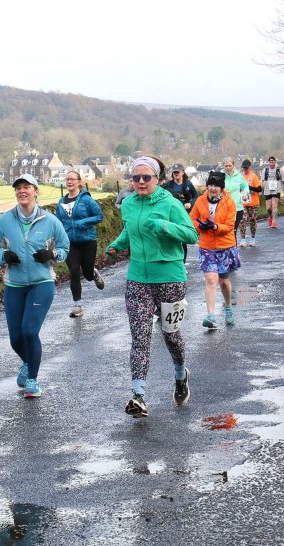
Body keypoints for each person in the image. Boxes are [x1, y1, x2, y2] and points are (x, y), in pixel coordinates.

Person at [107, 156, 198, 417]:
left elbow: (192, 235)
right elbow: (129, 231)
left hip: (170, 277)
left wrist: (163, 226)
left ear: (158, 179)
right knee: (140, 336)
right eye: (136, 177)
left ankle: (180, 374)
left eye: (146, 177)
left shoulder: (170, 203)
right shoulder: (128, 204)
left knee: (171, 334)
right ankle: (138, 395)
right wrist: (117, 245)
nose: (141, 182)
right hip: (138, 279)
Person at [0, 173, 70, 397]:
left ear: (36, 191)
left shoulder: (50, 221)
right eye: (18, 188)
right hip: (14, 284)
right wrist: (4, 256)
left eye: (27, 187)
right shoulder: (4, 220)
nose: (22, 191)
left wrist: (52, 255)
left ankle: (32, 380)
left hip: (41, 283)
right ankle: (28, 362)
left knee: (29, 331)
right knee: (15, 338)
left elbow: (64, 247)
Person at [189, 171, 239, 327]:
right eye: (210, 184)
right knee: (211, 279)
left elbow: (230, 226)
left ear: (221, 187)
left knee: (224, 281)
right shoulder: (200, 201)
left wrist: (216, 226)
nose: (213, 188)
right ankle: (210, 316)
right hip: (207, 246)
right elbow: (192, 219)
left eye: (216, 185)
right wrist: (200, 226)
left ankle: (228, 306)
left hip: (225, 246)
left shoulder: (229, 202)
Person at [56, 169, 104, 319]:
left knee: (87, 274)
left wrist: (82, 222)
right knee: (74, 272)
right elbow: (58, 223)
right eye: (67, 179)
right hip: (70, 243)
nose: (69, 181)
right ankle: (77, 306)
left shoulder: (86, 200)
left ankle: (93, 274)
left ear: (79, 182)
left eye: (72, 179)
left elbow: (99, 216)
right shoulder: (61, 202)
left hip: (87, 241)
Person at [221, 158, 250, 242]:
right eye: (226, 166)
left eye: (230, 166)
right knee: (226, 231)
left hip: (237, 207)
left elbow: (245, 186)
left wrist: (245, 194)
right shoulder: (220, 176)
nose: (228, 168)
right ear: (223, 166)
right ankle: (226, 247)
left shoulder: (239, 176)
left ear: (233, 166)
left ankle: (233, 248)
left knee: (233, 231)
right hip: (224, 208)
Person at [239, 159, 263, 247]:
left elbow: (259, 189)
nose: (245, 169)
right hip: (243, 203)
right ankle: (242, 240)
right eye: (244, 168)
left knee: (253, 220)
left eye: (246, 168)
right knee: (243, 219)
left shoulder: (254, 176)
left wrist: (250, 187)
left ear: (250, 167)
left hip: (254, 203)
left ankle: (252, 239)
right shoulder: (240, 177)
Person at [261, 156, 284, 228]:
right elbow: (262, 181)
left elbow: (283, 181)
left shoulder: (279, 170)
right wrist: (261, 189)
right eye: (270, 162)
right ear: (268, 162)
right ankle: (270, 217)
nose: (271, 163)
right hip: (267, 190)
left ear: (275, 162)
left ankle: (274, 222)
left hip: (276, 190)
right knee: (268, 208)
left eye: (273, 162)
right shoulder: (265, 170)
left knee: (274, 205)